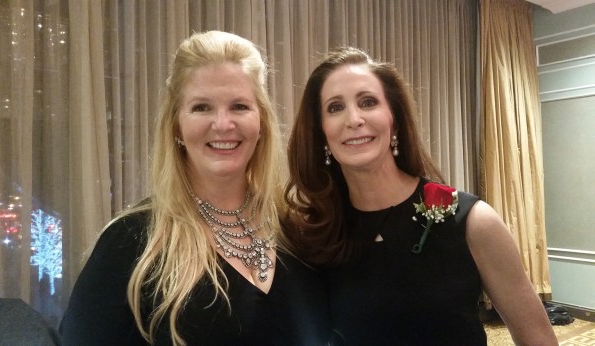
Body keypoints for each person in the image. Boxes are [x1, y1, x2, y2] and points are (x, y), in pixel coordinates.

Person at [60, 30, 330, 346]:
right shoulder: (132, 242)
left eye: (239, 106)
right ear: (177, 125)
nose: (223, 124)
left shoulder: (298, 229)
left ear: (263, 122)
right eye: (202, 107)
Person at [283, 46, 558, 345]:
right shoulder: (310, 234)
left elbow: (537, 339)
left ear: (394, 120)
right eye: (335, 107)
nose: (354, 119)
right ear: (322, 132)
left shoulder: (471, 221)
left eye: (368, 102)